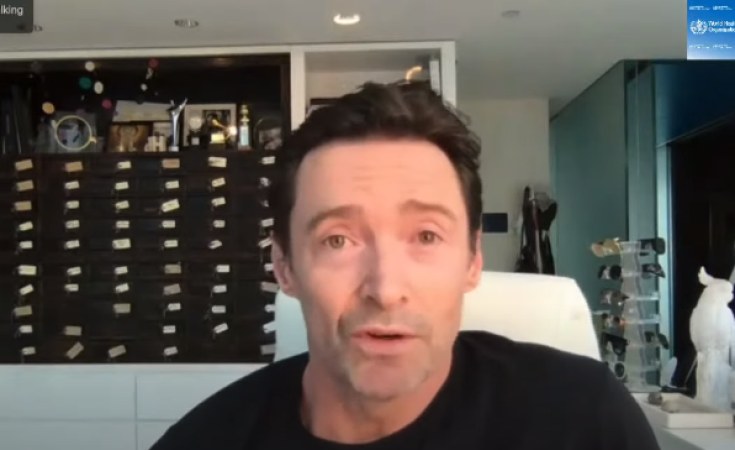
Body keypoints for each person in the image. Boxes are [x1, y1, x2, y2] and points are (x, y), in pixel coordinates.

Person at [150, 81, 660, 450]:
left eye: (426, 236)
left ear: (472, 260)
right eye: (338, 240)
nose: (386, 287)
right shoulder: (200, 441)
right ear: (284, 266)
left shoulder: (585, 420)